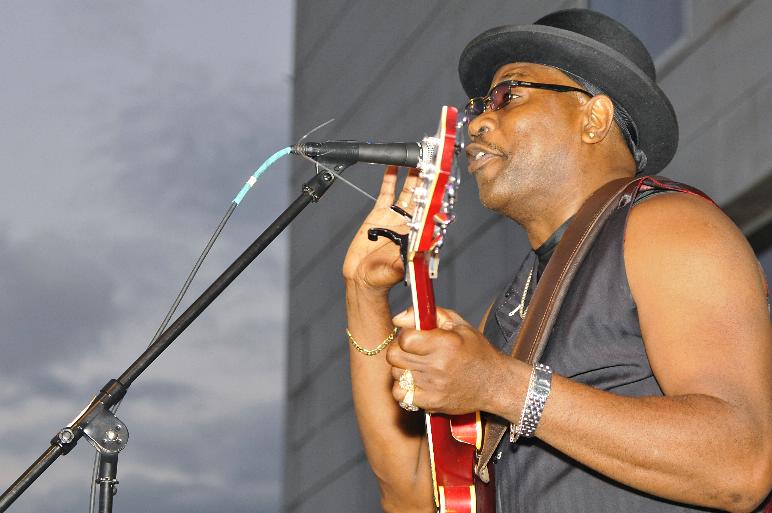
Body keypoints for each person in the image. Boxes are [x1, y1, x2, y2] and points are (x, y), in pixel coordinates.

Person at [342, 9, 772, 513]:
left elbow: (741, 464)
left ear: (594, 119)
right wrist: (364, 294)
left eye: (508, 96)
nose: (478, 122)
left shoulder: (667, 225)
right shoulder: (510, 308)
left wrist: (501, 385)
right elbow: (414, 495)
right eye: (478, 106)